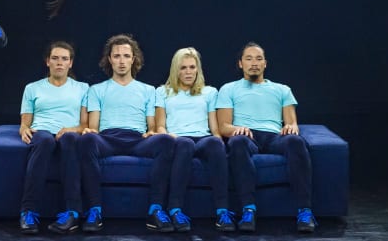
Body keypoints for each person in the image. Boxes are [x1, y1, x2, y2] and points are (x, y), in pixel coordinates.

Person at [216, 42, 317, 233]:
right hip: (247, 136)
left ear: (265, 64)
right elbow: (223, 127)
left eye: (258, 58)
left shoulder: (282, 89)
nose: (254, 63)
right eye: (249, 58)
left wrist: (290, 127)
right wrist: (237, 129)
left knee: (296, 141)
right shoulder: (228, 89)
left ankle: (305, 211)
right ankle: (248, 209)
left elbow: (292, 123)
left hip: (274, 137)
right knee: (237, 142)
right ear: (240, 64)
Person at [78, 34, 175, 233]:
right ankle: (94, 211)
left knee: (165, 140)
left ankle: (155, 210)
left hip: (137, 140)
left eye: (126, 56)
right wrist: (90, 132)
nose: (121, 61)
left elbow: (151, 125)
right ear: (109, 60)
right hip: (107, 138)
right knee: (87, 139)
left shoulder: (148, 90)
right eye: (117, 56)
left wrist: (152, 132)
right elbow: (94, 127)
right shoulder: (96, 90)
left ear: (134, 59)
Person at [155, 47, 235, 232]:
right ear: (176, 70)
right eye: (183, 68)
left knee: (215, 143)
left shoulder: (210, 92)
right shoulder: (163, 92)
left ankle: (223, 212)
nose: (188, 72)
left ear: (198, 69)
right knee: (185, 143)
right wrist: (170, 136)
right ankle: (175, 210)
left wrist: (220, 144)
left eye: (192, 67)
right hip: (178, 139)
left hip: (204, 138)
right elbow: (160, 126)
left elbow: (215, 128)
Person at [17, 41, 89, 235]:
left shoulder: (83, 88)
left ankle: (72, 213)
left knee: (70, 140)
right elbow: (26, 121)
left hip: (69, 133)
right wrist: (24, 129)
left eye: (64, 59)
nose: (59, 63)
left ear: (70, 63)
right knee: (45, 140)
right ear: (47, 62)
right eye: (55, 58)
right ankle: (28, 211)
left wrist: (71, 129)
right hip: (42, 132)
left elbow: (84, 125)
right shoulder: (32, 88)